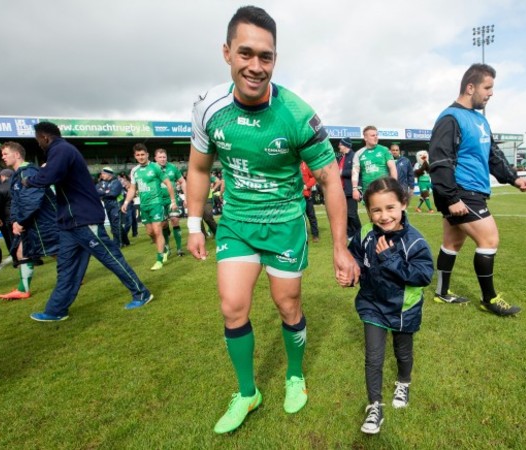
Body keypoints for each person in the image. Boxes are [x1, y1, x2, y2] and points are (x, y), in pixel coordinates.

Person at [186, 5, 360, 434]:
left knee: (287, 305)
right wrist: (193, 223)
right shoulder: (209, 108)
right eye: (246, 53)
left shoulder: (297, 113)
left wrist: (340, 247)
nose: (255, 65)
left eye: (266, 56)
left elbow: (329, 180)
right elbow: (199, 168)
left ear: (275, 60)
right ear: (227, 53)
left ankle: (294, 374)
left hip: (284, 223)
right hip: (237, 223)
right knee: (232, 307)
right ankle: (248, 393)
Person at [428, 63, 526, 316]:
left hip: (468, 192)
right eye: (487, 87)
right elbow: (440, 160)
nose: (491, 93)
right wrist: (451, 198)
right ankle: (489, 299)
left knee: (452, 242)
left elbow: (492, 155)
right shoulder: (450, 118)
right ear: (470, 87)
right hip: (462, 192)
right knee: (489, 239)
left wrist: (514, 178)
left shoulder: (480, 119)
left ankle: (442, 293)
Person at [24, 122, 153, 322]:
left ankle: (141, 293)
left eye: (38, 139)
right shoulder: (60, 151)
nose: (38, 144)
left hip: (83, 218)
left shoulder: (61, 149)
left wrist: (29, 180)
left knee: (110, 257)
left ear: (45, 137)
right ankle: (56, 310)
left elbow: (49, 176)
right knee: (66, 267)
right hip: (69, 222)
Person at [348, 177, 433, 434]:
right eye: (376, 209)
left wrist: (390, 258)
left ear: (403, 205)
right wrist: (350, 273)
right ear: (368, 211)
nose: (384, 216)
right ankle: (375, 406)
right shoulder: (364, 233)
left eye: (390, 208)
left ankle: (403, 383)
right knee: (373, 358)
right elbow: (356, 257)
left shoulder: (415, 242)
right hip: (372, 304)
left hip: (403, 309)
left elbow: (423, 276)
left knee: (402, 352)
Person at [0, 142, 59, 300]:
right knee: (21, 250)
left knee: (55, 251)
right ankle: (23, 289)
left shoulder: (29, 171)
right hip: (31, 222)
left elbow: (31, 201)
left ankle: (74, 277)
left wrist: (21, 221)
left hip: (43, 222)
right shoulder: (17, 175)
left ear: (17, 154)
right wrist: (15, 221)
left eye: (5, 154)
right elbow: (17, 202)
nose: (2, 157)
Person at [122, 143, 177, 270]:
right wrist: (126, 202)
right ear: (135, 156)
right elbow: (132, 189)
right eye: (138, 155)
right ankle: (164, 247)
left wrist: (173, 201)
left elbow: (168, 183)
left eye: (142, 154)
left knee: (157, 230)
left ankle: (159, 259)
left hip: (157, 203)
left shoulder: (156, 167)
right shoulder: (134, 171)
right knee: (150, 232)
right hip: (144, 205)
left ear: (147, 155)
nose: (140, 157)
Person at [154, 148, 187, 256]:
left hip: (172, 200)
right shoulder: (152, 169)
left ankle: (179, 249)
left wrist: (186, 197)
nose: (162, 159)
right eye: (160, 157)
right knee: (163, 224)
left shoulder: (172, 167)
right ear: (155, 158)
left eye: (164, 157)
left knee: (175, 220)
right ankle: (167, 248)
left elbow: (182, 181)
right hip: (158, 201)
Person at [351, 126, 397, 202]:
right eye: (372, 135)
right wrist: (355, 189)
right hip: (368, 190)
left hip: (384, 188)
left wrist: (394, 185)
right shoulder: (358, 154)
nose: (376, 137)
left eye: (376, 135)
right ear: (365, 138)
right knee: (372, 213)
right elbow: (355, 172)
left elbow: (393, 168)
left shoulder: (384, 150)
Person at [338, 137, 361, 240]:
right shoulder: (341, 157)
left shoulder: (354, 156)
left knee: (352, 214)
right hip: (342, 190)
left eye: (340, 144)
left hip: (350, 190)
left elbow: (355, 171)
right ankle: (350, 234)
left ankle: (359, 232)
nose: (339, 146)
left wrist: (341, 173)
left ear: (346, 145)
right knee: (344, 214)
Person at [96, 167, 124, 248]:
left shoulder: (116, 182)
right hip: (107, 205)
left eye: (104, 174)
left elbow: (113, 193)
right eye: (102, 174)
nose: (102, 175)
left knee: (116, 224)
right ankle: (125, 240)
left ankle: (118, 243)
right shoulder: (101, 183)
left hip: (116, 205)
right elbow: (97, 191)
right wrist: (106, 192)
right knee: (114, 224)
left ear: (109, 174)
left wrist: (103, 192)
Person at [0, 168, 15, 252]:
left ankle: (16, 259)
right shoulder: (19, 185)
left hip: (8, 216)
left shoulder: (0, 188)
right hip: (21, 214)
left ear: (4, 176)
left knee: (12, 238)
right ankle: (35, 258)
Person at [300, 161, 319, 242]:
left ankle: (315, 235)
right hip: (296, 197)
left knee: (311, 216)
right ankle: (302, 236)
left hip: (307, 196)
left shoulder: (305, 164)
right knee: (300, 217)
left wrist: (307, 185)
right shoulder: (291, 164)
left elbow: (314, 177)